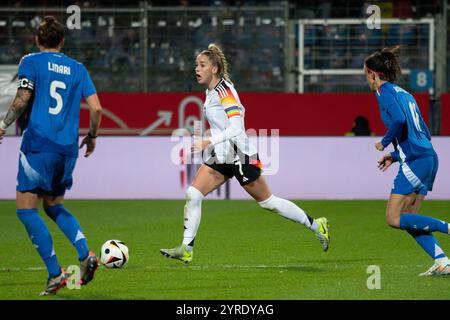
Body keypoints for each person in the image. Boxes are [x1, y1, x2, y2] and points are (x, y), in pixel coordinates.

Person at [160, 43, 330, 263]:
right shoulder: (211, 91)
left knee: (268, 203)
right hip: (222, 154)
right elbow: (229, 120)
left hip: (240, 154)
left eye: (202, 65)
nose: (197, 69)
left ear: (214, 68)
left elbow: (237, 127)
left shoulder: (224, 91)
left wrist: (208, 140)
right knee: (193, 194)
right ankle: (186, 248)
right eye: (196, 65)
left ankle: (317, 225)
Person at [0, 16, 103, 295]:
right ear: (63, 41)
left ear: (37, 39)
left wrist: (3, 124)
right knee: (54, 205)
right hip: (67, 149)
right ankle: (85, 253)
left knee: (25, 209)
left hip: (39, 144)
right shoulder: (78, 68)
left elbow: (22, 98)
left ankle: (55, 274)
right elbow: (96, 109)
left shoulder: (31, 62)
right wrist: (92, 137)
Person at [364, 46, 450, 276]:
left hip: (415, 161)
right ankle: (442, 261)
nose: (367, 80)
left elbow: (400, 121)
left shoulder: (383, 92)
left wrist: (385, 142)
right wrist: (394, 155)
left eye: (366, 74)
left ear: (374, 74)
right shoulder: (405, 94)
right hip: (428, 158)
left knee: (393, 218)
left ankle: (447, 228)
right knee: (410, 219)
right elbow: (423, 132)